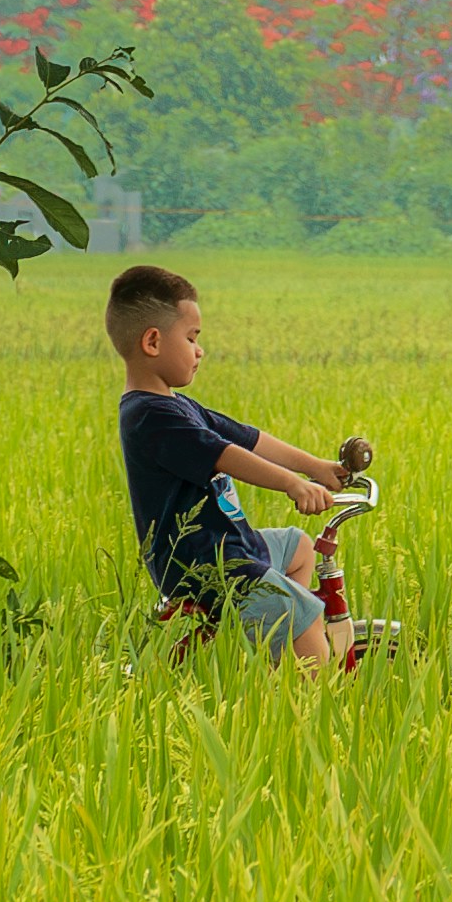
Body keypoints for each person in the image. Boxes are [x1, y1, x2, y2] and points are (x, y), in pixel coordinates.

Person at [104, 260, 365, 664]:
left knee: (299, 547)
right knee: (306, 618)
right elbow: (225, 455)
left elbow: (247, 437)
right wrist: (293, 485)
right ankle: (311, 706)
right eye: (192, 337)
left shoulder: (176, 405)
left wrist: (315, 467)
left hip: (229, 544)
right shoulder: (150, 417)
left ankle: (268, 655)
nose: (200, 349)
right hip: (205, 565)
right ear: (152, 342)